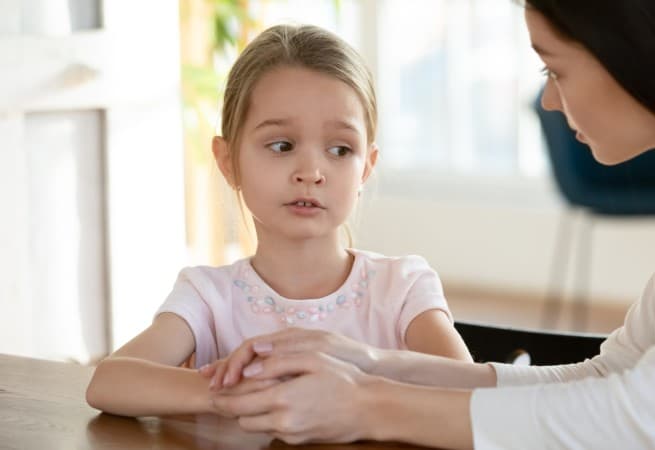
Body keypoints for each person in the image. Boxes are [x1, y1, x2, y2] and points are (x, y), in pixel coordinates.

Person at [202, 1, 655, 448]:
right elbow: (615, 371)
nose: (549, 102)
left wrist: (367, 405)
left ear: (636, 58)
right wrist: (372, 363)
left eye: (554, 70)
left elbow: (647, 415)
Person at [85, 24, 472, 418]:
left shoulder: (402, 288)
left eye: (340, 149)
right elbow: (108, 382)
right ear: (228, 161)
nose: (311, 171)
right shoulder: (208, 297)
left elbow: (472, 394)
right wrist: (231, 394)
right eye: (282, 146)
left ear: (366, 168)